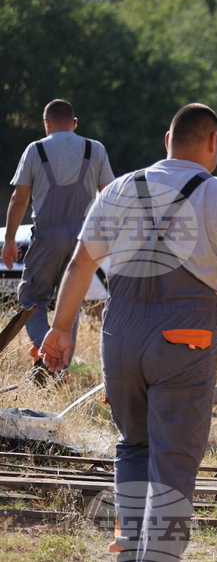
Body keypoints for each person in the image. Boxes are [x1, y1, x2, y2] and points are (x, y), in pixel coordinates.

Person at [40, 103, 217, 561]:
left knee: (134, 444)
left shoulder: (118, 190)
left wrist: (60, 329)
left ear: (166, 140)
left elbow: (80, 263)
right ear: (213, 142)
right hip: (184, 340)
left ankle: (130, 548)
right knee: (174, 459)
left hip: (121, 338)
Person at [2, 99, 114, 383]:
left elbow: (19, 198)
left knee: (32, 300)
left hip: (48, 235)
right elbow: (110, 195)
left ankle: (46, 356)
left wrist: (10, 240)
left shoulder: (36, 149)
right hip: (85, 239)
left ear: (46, 123)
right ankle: (58, 368)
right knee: (70, 301)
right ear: (75, 123)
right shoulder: (94, 149)